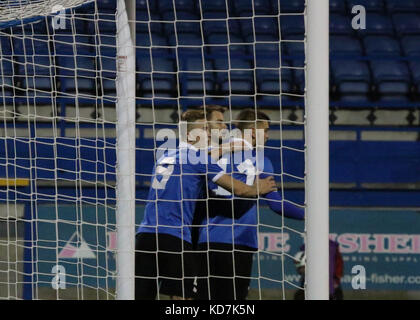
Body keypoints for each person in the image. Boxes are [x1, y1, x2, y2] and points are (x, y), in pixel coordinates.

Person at [135, 109, 277, 300]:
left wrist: (224, 149)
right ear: (190, 134)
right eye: (204, 129)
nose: (209, 133)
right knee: (183, 297)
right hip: (175, 236)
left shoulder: (163, 157)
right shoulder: (200, 159)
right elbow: (240, 190)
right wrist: (259, 188)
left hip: (145, 236)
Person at [194, 109, 305, 300]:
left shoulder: (211, 154)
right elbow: (276, 205)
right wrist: (307, 214)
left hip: (205, 242)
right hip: (239, 242)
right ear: (253, 131)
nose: (268, 136)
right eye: (266, 130)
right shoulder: (260, 160)